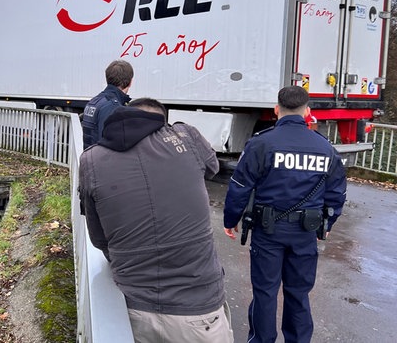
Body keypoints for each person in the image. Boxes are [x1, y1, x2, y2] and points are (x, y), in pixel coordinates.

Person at [79, 98, 233, 343]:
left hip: (135, 310)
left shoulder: (91, 160)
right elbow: (212, 166)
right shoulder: (186, 137)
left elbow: (98, 238)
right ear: (160, 122)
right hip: (199, 310)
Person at [223, 86, 347, 343]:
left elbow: (240, 186)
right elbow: (336, 194)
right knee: (298, 293)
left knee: (265, 292)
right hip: (305, 233)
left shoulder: (261, 143)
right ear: (308, 112)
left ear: (276, 109)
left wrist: (230, 219)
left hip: (268, 230)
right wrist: (326, 225)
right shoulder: (325, 148)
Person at [81, 59, 133, 149]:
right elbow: (109, 144)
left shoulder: (95, 101)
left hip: (90, 158)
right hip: (101, 161)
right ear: (130, 82)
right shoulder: (112, 107)